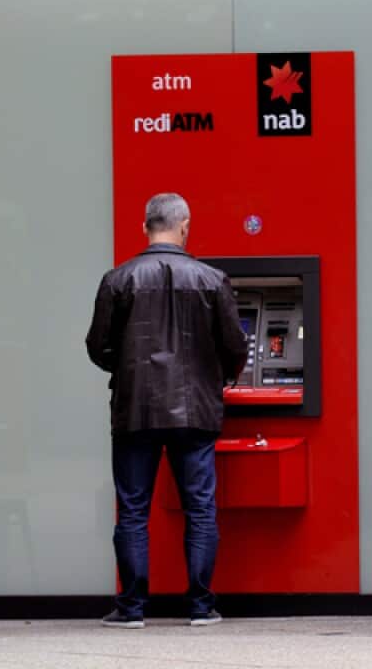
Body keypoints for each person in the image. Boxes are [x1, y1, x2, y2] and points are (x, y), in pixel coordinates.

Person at [85, 193, 247, 629]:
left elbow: (96, 345)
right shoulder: (212, 280)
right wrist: (220, 374)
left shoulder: (118, 280)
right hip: (195, 409)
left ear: (145, 227)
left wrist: (126, 368)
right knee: (199, 507)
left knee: (133, 509)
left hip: (135, 409)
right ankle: (200, 606)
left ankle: (132, 609)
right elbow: (235, 345)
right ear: (185, 225)